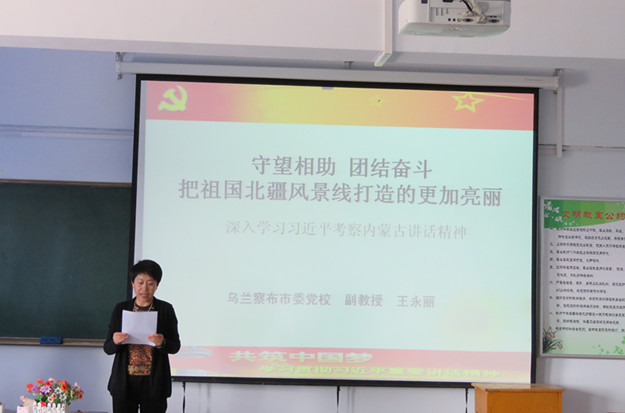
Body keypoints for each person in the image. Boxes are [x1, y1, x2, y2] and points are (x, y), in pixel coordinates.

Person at [104, 259, 181, 413]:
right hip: (124, 382)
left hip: (154, 383)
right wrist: (115, 341)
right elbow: (108, 348)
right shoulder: (121, 309)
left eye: (150, 283)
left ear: (157, 285)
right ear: (132, 283)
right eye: (140, 282)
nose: (144, 288)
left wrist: (162, 342)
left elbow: (175, 346)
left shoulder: (166, 310)